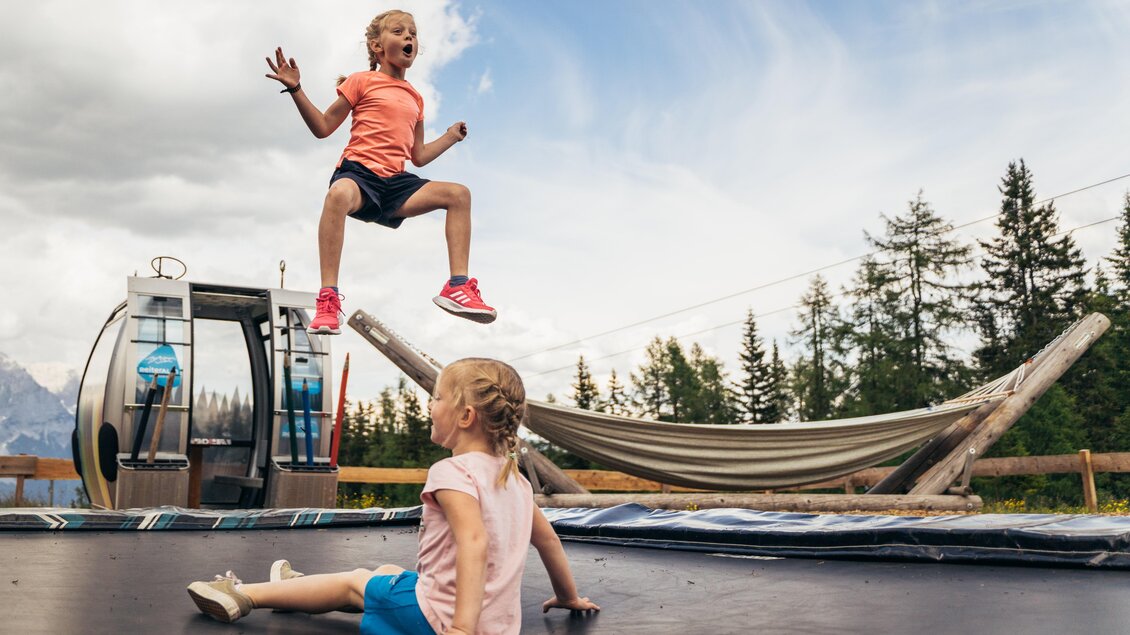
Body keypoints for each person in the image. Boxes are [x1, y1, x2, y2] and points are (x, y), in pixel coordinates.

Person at [186, 358, 600, 634]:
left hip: (444, 620)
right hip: (496, 624)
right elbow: (546, 539)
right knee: (386, 571)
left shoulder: (452, 472)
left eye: (436, 396)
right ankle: (299, 590)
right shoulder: (517, 481)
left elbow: (474, 542)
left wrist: (461, 627)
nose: (430, 404)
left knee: (354, 583)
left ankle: (244, 594)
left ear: (465, 416)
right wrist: (567, 595)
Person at [265, 9, 497, 335]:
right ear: (376, 46)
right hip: (359, 174)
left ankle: (457, 287)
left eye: (413, 34)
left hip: (396, 184)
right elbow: (323, 127)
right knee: (337, 195)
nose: (409, 38)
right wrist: (296, 89)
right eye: (400, 32)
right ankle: (328, 299)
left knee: (459, 194)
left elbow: (417, 156)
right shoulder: (361, 81)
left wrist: (449, 137)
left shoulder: (415, 98)